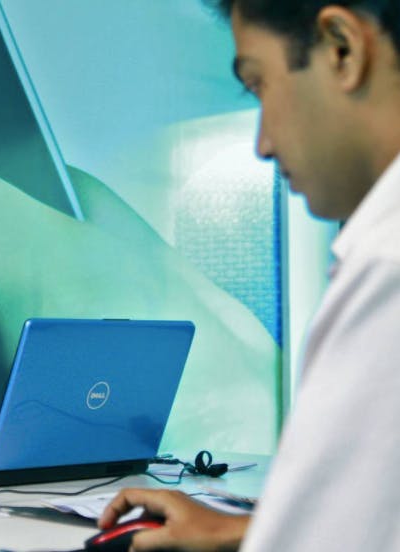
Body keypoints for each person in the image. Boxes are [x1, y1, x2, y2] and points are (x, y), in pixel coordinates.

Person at [98, 1, 400, 550]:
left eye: (259, 85)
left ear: (342, 49)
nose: (263, 144)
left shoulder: (387, 267)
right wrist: (240, 530)